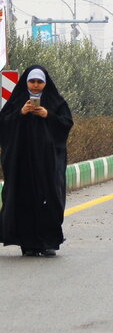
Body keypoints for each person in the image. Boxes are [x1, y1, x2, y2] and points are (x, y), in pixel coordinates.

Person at [0, 65, 74, 257]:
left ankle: (50, 242)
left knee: (50, 197)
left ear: (45, 83)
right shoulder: (16, 100)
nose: (35, 85)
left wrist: (48, 115)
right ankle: (29, 244)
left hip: (49, 162)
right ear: (26, 83)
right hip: (22, 162)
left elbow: (66, 124)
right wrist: (20, 113)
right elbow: (3, 125)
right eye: (32, 81)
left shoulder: (55, 101)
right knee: (24, 199)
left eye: (39, 82)